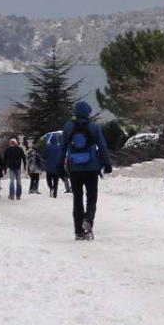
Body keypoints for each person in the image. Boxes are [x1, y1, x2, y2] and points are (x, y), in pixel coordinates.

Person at [61, 102, 112, 239]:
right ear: (88, 112)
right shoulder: (93, 127)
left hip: (74, 168)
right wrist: (107, 163)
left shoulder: (68, 126)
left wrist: (60, 165)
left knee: (77, 198)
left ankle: (78, 232)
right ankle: (88, 221)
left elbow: (63, 147)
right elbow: (102, 146)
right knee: (91, 198)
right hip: (91, 167)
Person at [43, 131, 65, 198]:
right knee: (56, 181)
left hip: (49, 167)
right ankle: (55, 194)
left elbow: (44, 156)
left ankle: (51, 187)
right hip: (56, 167)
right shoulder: (59, 147)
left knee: (48, 179)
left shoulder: (47, 147)